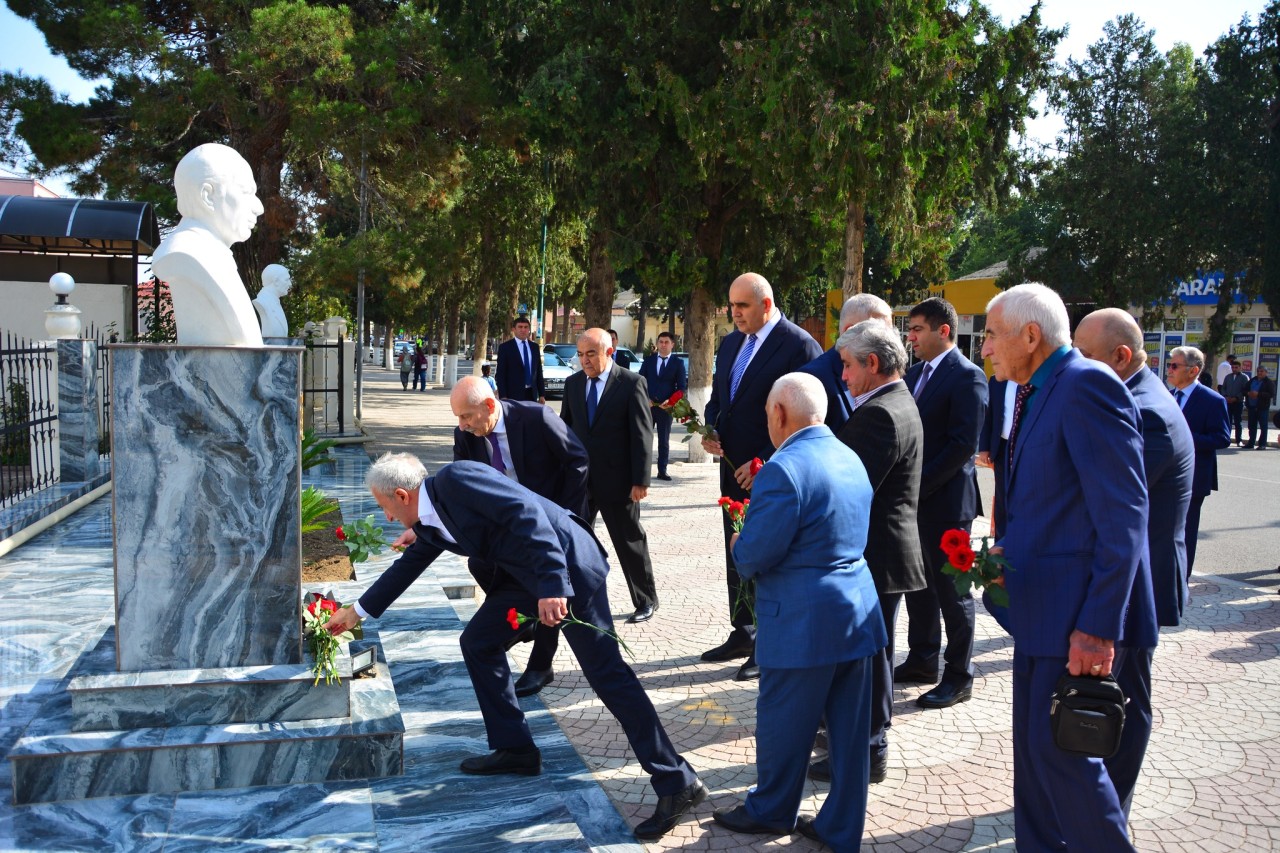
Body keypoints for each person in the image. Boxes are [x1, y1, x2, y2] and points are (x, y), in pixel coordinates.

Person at [324, 454, 705, 842]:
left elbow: (527, 515)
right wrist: (355, 613)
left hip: (565, 567)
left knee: (607, 675)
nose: (386, 517)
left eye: (383, 506)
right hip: (527, 577)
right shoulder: (429, 518)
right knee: (478, 642)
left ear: (402, 495)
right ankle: (515, 748)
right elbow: (408, 566)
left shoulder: (457, 479)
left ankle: (676, 781)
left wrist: (554, 584)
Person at [981, 283, 1155, 852]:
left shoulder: (1086, 385)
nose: (984, 349)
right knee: (1036, 758)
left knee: (1068, 763)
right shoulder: (1038, 388)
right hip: (1040, 612)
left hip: (1076, 620)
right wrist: (1011, 552)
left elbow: (1124, 517)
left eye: (989, 334)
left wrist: (1100, 625)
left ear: (1030, 336)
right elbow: (1055, 500)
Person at [710, 373, 885, 851]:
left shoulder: (784, 468)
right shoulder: (848, 455)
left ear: (780, 414)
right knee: (850, 734)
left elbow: (754, 555)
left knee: (784, 723)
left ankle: (770, 810)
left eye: (768, 412)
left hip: (803, 619)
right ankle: (841, 825)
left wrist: (737, 542)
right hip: (858, 612)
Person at [1074, 308, 1194, 813]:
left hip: (1137, 583)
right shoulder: (1136, 395)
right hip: (1132, 576)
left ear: (1120, 356)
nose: (1074, 366)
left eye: (1084, 355)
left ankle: (1111, 806)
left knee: (1127, 699)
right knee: (1125, 690)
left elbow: (1112, 505)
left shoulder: (1143, 411)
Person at [804, 320, 925, 787]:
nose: (845, 377)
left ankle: (867, 750)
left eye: (849, 366)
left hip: (875, 553)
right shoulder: (895, 400)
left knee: (870, 659)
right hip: (881, 551)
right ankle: (859, 744)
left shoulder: (880, 412)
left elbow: (848, 489)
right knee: (872, 655)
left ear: (873, 364)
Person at [701, 272, 823, 681]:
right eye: (732, 305)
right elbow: (721, 398)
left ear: (766, 304)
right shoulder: (732, 341)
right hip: (730, 471)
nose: (734, 313)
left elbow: (809, 419)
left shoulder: (799, 345)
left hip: (773, 476)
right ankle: (744, 629)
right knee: (737, 550)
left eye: (743, 306)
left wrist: (766, 463)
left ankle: (767, 642)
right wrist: (712, 427)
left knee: (768, 558)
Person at [449, 375, 589, 697]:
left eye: (467, 416)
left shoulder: (535, 418)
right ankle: (526, 619)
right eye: (457, 417)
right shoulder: (466, 436)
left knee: (550, 583)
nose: (462, 425)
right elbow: (462, 483)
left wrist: (564, 516)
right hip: (508, 524)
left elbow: (577, 460)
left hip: (553, 521)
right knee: (481, 563)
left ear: (488, 406)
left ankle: (541, 665)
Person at [897, 297, 987, 710]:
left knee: (953, 592)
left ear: (943, 330)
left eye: (917, 329)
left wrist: (918, 486)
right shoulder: (913, 374)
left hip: (948, 505)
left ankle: (958, 675)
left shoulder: (967, 377)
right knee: (918, 587)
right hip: (915, 503)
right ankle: (922, 660)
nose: (910, 337)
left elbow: (961, 446)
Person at [562, 328, 660, 624]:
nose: (585, 361)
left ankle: (646, 600)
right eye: (580, 355)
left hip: (619, 482)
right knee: (572, 540)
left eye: (591, 353)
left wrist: (640, 480)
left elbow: (642, 435)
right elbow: (565, 431)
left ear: (609, 352)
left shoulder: (631, 383)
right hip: (581, 482)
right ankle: (570, 600)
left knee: (629, 540)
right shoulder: (573, 384)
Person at [151, 143, 265, 347]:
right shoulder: (188, 253)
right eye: (246, 192)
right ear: (207, 196)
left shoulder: (212, 255)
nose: (259, 207)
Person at [1167, 345, 1231, 578]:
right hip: (1165, 475)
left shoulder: (1212, 400)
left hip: (1195, 478)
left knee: (1186, 532)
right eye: (1169, 365)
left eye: (1175, 365)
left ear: (1193, 370)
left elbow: (1222, 438)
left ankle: (1181, 580)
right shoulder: (1169, 395)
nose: (1169, 370)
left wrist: (1185, 437)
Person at [797, 293, 894, 433]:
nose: (888, 341)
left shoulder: (883, 373)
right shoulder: (812, 379)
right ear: (849, 330)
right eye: (879, 331)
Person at [639, 331, 687, 481]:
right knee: (643, 439)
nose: (663, 345)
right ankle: (642, 470)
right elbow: (640, 381)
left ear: (673, 344)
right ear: (657, 343)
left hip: (666, 408)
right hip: (648, 406)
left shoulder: (677, 363)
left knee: (663, 440)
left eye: (666, 342)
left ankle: (662, 470)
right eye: (661, 342)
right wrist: (645, 398)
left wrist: (671, 402)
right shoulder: (649, 361)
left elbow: (681, 387)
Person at [976, 376, 1016, 538]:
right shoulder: (997, 380)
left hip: (1024, 445)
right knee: (1002, 500)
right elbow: (989, 414)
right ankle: (1000, 544)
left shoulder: (1032, 379)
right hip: (1001, 448)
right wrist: (984, 448)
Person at [495, 316, 545, 403]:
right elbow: (500, 374)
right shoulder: (505, 348)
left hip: (531, 394)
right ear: (514, 329)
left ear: (529, 329)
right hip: (512, 396)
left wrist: (542, 395)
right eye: (520, 327)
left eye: (526, 327)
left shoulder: (534, 347)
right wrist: (503, 396)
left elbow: (538, 372)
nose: (523, 330)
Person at [253, 264, 291, 338]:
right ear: (276, 281)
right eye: (286, 279)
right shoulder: (263, 302)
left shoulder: (275, 301)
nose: (290, 284)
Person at [1218, 359, 1251, 446]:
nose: (1234, 369)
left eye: (1236, 367)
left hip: (1238, 402)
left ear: (1240, 368)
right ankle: (1226, 438)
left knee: (1237, 422)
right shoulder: (1228, 377)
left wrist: (1236, 398)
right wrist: (1225, 396)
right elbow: (1223, 388)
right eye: (1233, 367)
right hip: (1228, 402)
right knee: (1227, 421)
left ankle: (1238, 440)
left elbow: (1244, 390)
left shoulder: (1244, 377)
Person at [1246, 365, 1275, 449]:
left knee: (1263, 426)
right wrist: (1248, 393)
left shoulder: (1268, 382)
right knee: (1251, 426)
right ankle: (1251, 443)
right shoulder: (1252, 380)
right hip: (1252, 407)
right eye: (1258, 371)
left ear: (1266, 372)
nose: (1259, 373)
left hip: (1262, 408)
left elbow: (1271, 394)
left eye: (1261, 371)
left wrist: (1258, 394)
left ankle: (1262, 444)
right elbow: (1244, 390)